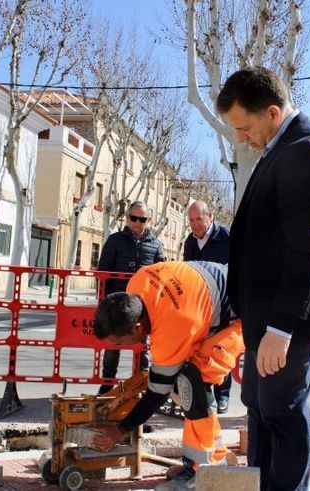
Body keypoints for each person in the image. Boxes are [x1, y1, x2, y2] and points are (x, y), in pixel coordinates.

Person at [217, 67, 310, 491]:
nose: (241, 138)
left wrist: (280, 328)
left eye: (245, 127)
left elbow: (305, 251)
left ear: (272, 112)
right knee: (260, 407)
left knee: (282, 414)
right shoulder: (281, 146)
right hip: (265, 318)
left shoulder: (305, 151)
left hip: (284, 321)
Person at [91, 261, 243, 491]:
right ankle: (208, 457)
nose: (119, 347)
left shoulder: (171, 327)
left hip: (246, 314)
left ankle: (205, 467)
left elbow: (156, 394)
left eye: (119, 342)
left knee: (192, 382)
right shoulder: (138, 283)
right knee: (185, 381)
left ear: (137, 328)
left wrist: (120, 429)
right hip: (210, 302)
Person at [96, 201, 165, 395]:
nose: (137, 223)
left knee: (142, 349)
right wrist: (102, 301)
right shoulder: (115, 240)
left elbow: (162, 274)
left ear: (148, 220)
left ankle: (140, 385)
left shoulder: (156, 244)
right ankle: (107, 384)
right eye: (133, 218)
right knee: (113, 346)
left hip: (143, 307)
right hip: (116, 304)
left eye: (142, 219)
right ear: (127, 218)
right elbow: (103, 272)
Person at [182, 200, 232, 414]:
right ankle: (204, 393)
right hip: (199, 304)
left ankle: (223, 396)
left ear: (210, 216)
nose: (195, 225)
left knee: (221, 350)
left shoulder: (226, 238)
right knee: (199, 349)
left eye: (199, 219)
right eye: (191, 220)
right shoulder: (190, 242)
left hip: (223, 302)